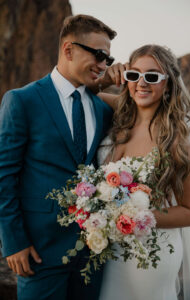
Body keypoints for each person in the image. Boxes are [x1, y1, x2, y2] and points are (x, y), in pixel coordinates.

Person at [0, 14, 116, 300]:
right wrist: (13, 244)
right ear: (68, 49)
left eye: (108, 60)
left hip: (91, 253)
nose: (103, 65)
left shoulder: (102, 110)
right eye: (99, 55)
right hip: (39, 253)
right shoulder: (22, 100)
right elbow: (4, 175)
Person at [95, 44, 190, 300]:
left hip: (152, 254)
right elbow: (81, 94)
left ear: (168, 85)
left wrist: (137, 218)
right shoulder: (119, 112)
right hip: (110, 250)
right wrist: (105, 79)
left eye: (152, 76)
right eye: (134, 75)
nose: (141, 83)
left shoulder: (176, 143)